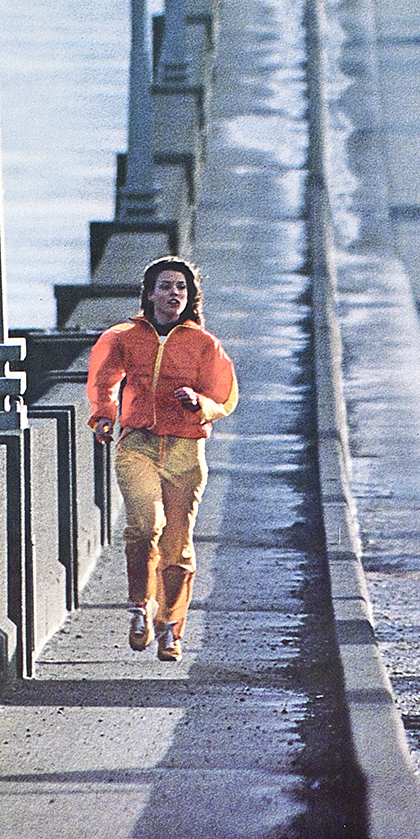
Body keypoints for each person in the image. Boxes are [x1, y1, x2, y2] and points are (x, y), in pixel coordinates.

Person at [87, 258, 238, 662]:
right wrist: (103, 415)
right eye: (166, 286)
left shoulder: (204, 344)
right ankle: (140, 607)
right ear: (150, 294)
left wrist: (200, 403)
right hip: (138, 443)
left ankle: (170, 627)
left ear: (189, 298)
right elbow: (104, 377)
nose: (174, 294)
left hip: (186, 449)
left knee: (177, 542)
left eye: (181, 288)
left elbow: (225, 396)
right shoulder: (125, 336)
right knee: (143, 525)